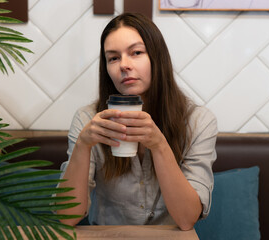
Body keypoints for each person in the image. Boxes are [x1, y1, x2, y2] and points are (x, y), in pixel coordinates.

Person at [57, 12, 217, 230]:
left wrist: (159, 145)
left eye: (136, 52)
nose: (124, 65)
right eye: (113, 58)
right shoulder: (88, 120)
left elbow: (187, 218)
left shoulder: (198, 121)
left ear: (157, 57)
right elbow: (67, 217)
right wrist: (83, 146)